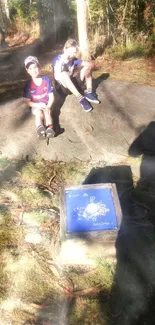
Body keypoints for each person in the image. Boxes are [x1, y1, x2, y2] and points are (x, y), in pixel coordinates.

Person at [52, 38, 100, 113]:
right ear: (65, 49)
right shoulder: (58, 60)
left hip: (73, 83)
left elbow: (91, 65)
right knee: (64, 74)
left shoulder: (74, 59)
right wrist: (66, 65)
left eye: (74, 52)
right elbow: (57, 77)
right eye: (70, 52)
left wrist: (79, 69)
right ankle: (81, 99)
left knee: (87, 67)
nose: (72, 55)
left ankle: (89, 92)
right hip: (63, 87)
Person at [23, 56, 55, 139]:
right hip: (35, 105)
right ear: (27, 71)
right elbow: (27, 101)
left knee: (47, 113)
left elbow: (51, 96)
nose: (33, 70)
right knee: (39, 113)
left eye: (35, 67)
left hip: (46, 104)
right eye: (30, 68)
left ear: (39, 67)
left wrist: (48, 106)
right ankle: (40, 129)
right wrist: (37, 105)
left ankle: (50, 128)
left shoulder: (46, 80)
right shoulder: (28, 84)